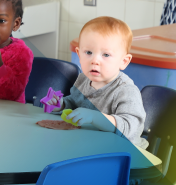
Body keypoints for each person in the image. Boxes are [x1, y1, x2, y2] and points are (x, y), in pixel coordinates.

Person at [46, 16, 148, 149]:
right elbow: (74, 103)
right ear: (79, 54)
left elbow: (130, 128)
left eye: (106, 55)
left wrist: (95, 117)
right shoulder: (83, 79)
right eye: (88, 52)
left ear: (124, 61)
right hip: (90, 147)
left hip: (124, 156)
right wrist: (62, 105)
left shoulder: (126, 90)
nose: (95, 60)